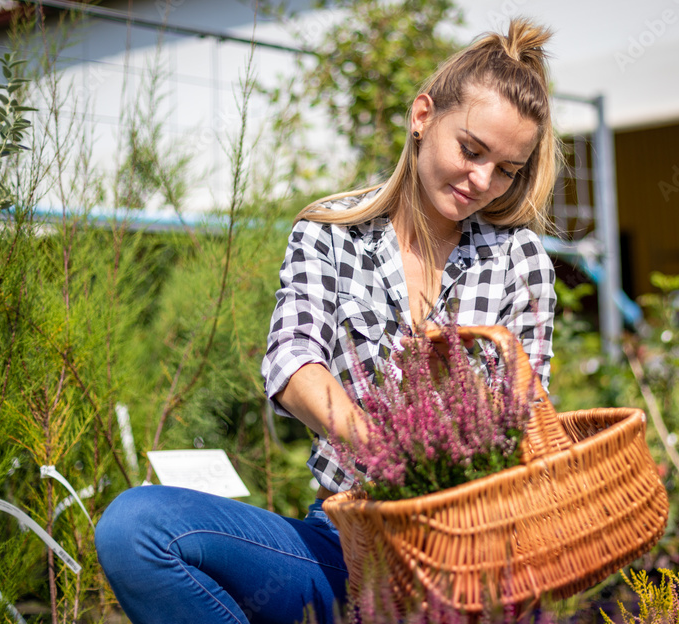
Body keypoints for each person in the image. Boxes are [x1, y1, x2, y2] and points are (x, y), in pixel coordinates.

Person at [95, 17, 559, 624]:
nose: (482, 181)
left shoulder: (518, 260)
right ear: (423, 117)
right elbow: (292, 363)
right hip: (344, 546)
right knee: (138, 528)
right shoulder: (333, 233)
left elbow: (524, 422)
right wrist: (390, 453)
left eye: (506, 169)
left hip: (464, 564)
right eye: (471, 150)